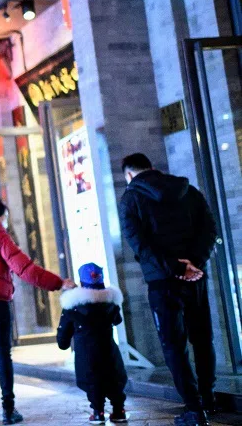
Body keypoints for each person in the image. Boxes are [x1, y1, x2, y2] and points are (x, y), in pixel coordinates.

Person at [0, 197, 73, 425]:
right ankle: (8, 411)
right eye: (5, 218)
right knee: (3, 354)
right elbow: (25, 269)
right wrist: (57, 283)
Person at [119, 153, 218, 426]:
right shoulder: (188, 190)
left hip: (162, 282)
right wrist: (194, 262)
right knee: (202, 337)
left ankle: (194, 408)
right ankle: (208, 397)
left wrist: (175, 267)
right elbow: (209, 229)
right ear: (152, 167)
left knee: (173, 345)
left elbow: (139, 245)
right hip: (195, 276)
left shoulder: (130, 199)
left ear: (129, 174)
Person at [57, 263, 128, 425]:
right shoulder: (111, 302)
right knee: (114, 376)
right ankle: (119, 410)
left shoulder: (72, 305)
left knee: (92, 378)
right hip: (108, 349)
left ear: (81, 282)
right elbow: (117, 320)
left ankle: (98, 412)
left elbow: (63, 335)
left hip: (86, 353)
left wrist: (63, 342)